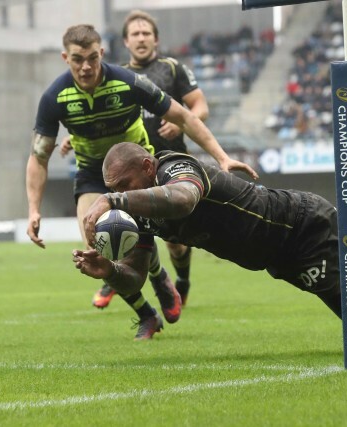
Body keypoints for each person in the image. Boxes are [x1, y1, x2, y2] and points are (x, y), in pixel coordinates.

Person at [72, 143, 347, 341]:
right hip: (281, 256)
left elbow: (184, 199)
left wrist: (111, 198)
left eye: (123, 185)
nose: (118, 194)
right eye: (113, 189)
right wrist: (108, 270)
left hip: (300, 226)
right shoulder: (139, 214)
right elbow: (135, 279)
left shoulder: (175, 168)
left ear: (146, 167)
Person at [26, 24, 258, 340]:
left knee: (145, 234)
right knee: (96, 243)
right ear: (66, 57)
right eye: (78, 59)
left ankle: (161, 276)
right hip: (93, 173)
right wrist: (33, 209)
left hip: (137, 170)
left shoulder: (128, 82)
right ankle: (146, 314)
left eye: (92, 58)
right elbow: (39, 157)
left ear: (102, 54)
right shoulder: (54, 97)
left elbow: (184, 116)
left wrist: (222, 157)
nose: (86, 66)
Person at [91, 10, 208, 310]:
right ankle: (116, 274)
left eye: (146, 33)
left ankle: (181, 279)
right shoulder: (117, 76)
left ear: (155, 39)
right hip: (128, 171)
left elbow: (200, 106)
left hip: (168, 165)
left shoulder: (172, 69)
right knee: (120, 222)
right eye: (135, 34)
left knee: (175, 242)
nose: (141, 38)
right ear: (126, 41)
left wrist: (183, 121)